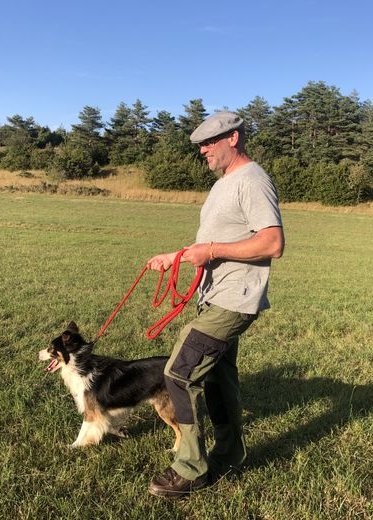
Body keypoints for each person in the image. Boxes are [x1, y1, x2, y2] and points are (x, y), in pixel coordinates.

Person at [146, 111, 285, 498]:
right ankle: (230, 451)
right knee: (217, 377)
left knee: (178, 374)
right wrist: (176, 256)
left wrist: (211, 250)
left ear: (234, 139)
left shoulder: (253, 181)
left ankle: (191, 468)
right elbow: (214, 241)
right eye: (201, 145)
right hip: (214, 294)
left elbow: (272, 243)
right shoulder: (224, 183)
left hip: (235, 298)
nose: (203, 150)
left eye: (210, 142)